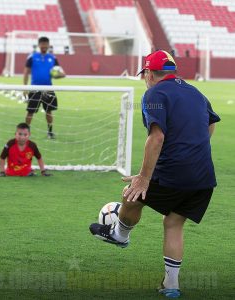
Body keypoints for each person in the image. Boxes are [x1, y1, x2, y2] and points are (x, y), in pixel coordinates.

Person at [89, 50, 220, 298]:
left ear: (149, 73)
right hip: (203, 176)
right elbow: (210, 124)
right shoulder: (195, 92)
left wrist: (143, 177)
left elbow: (156, 137)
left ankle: (119, 234)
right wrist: (194, 149)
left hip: (175, 172)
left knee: (132, 194)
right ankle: (171, 286)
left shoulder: (154, 94)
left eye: (144, 74)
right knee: (173, 222)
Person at [23, 36, 65, 139]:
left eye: (46, 44)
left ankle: (50, 132)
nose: (44, 46)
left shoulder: (53, 58)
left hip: (48, 89)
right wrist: (24, 87)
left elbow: (61, 73)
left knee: (49, 111)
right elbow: (26, 72)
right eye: (42, 44)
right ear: (39, 45)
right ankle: (25, 132)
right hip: (34, 88)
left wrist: (59, 75)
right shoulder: (32, 57)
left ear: (48, 45)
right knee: (30, 111)